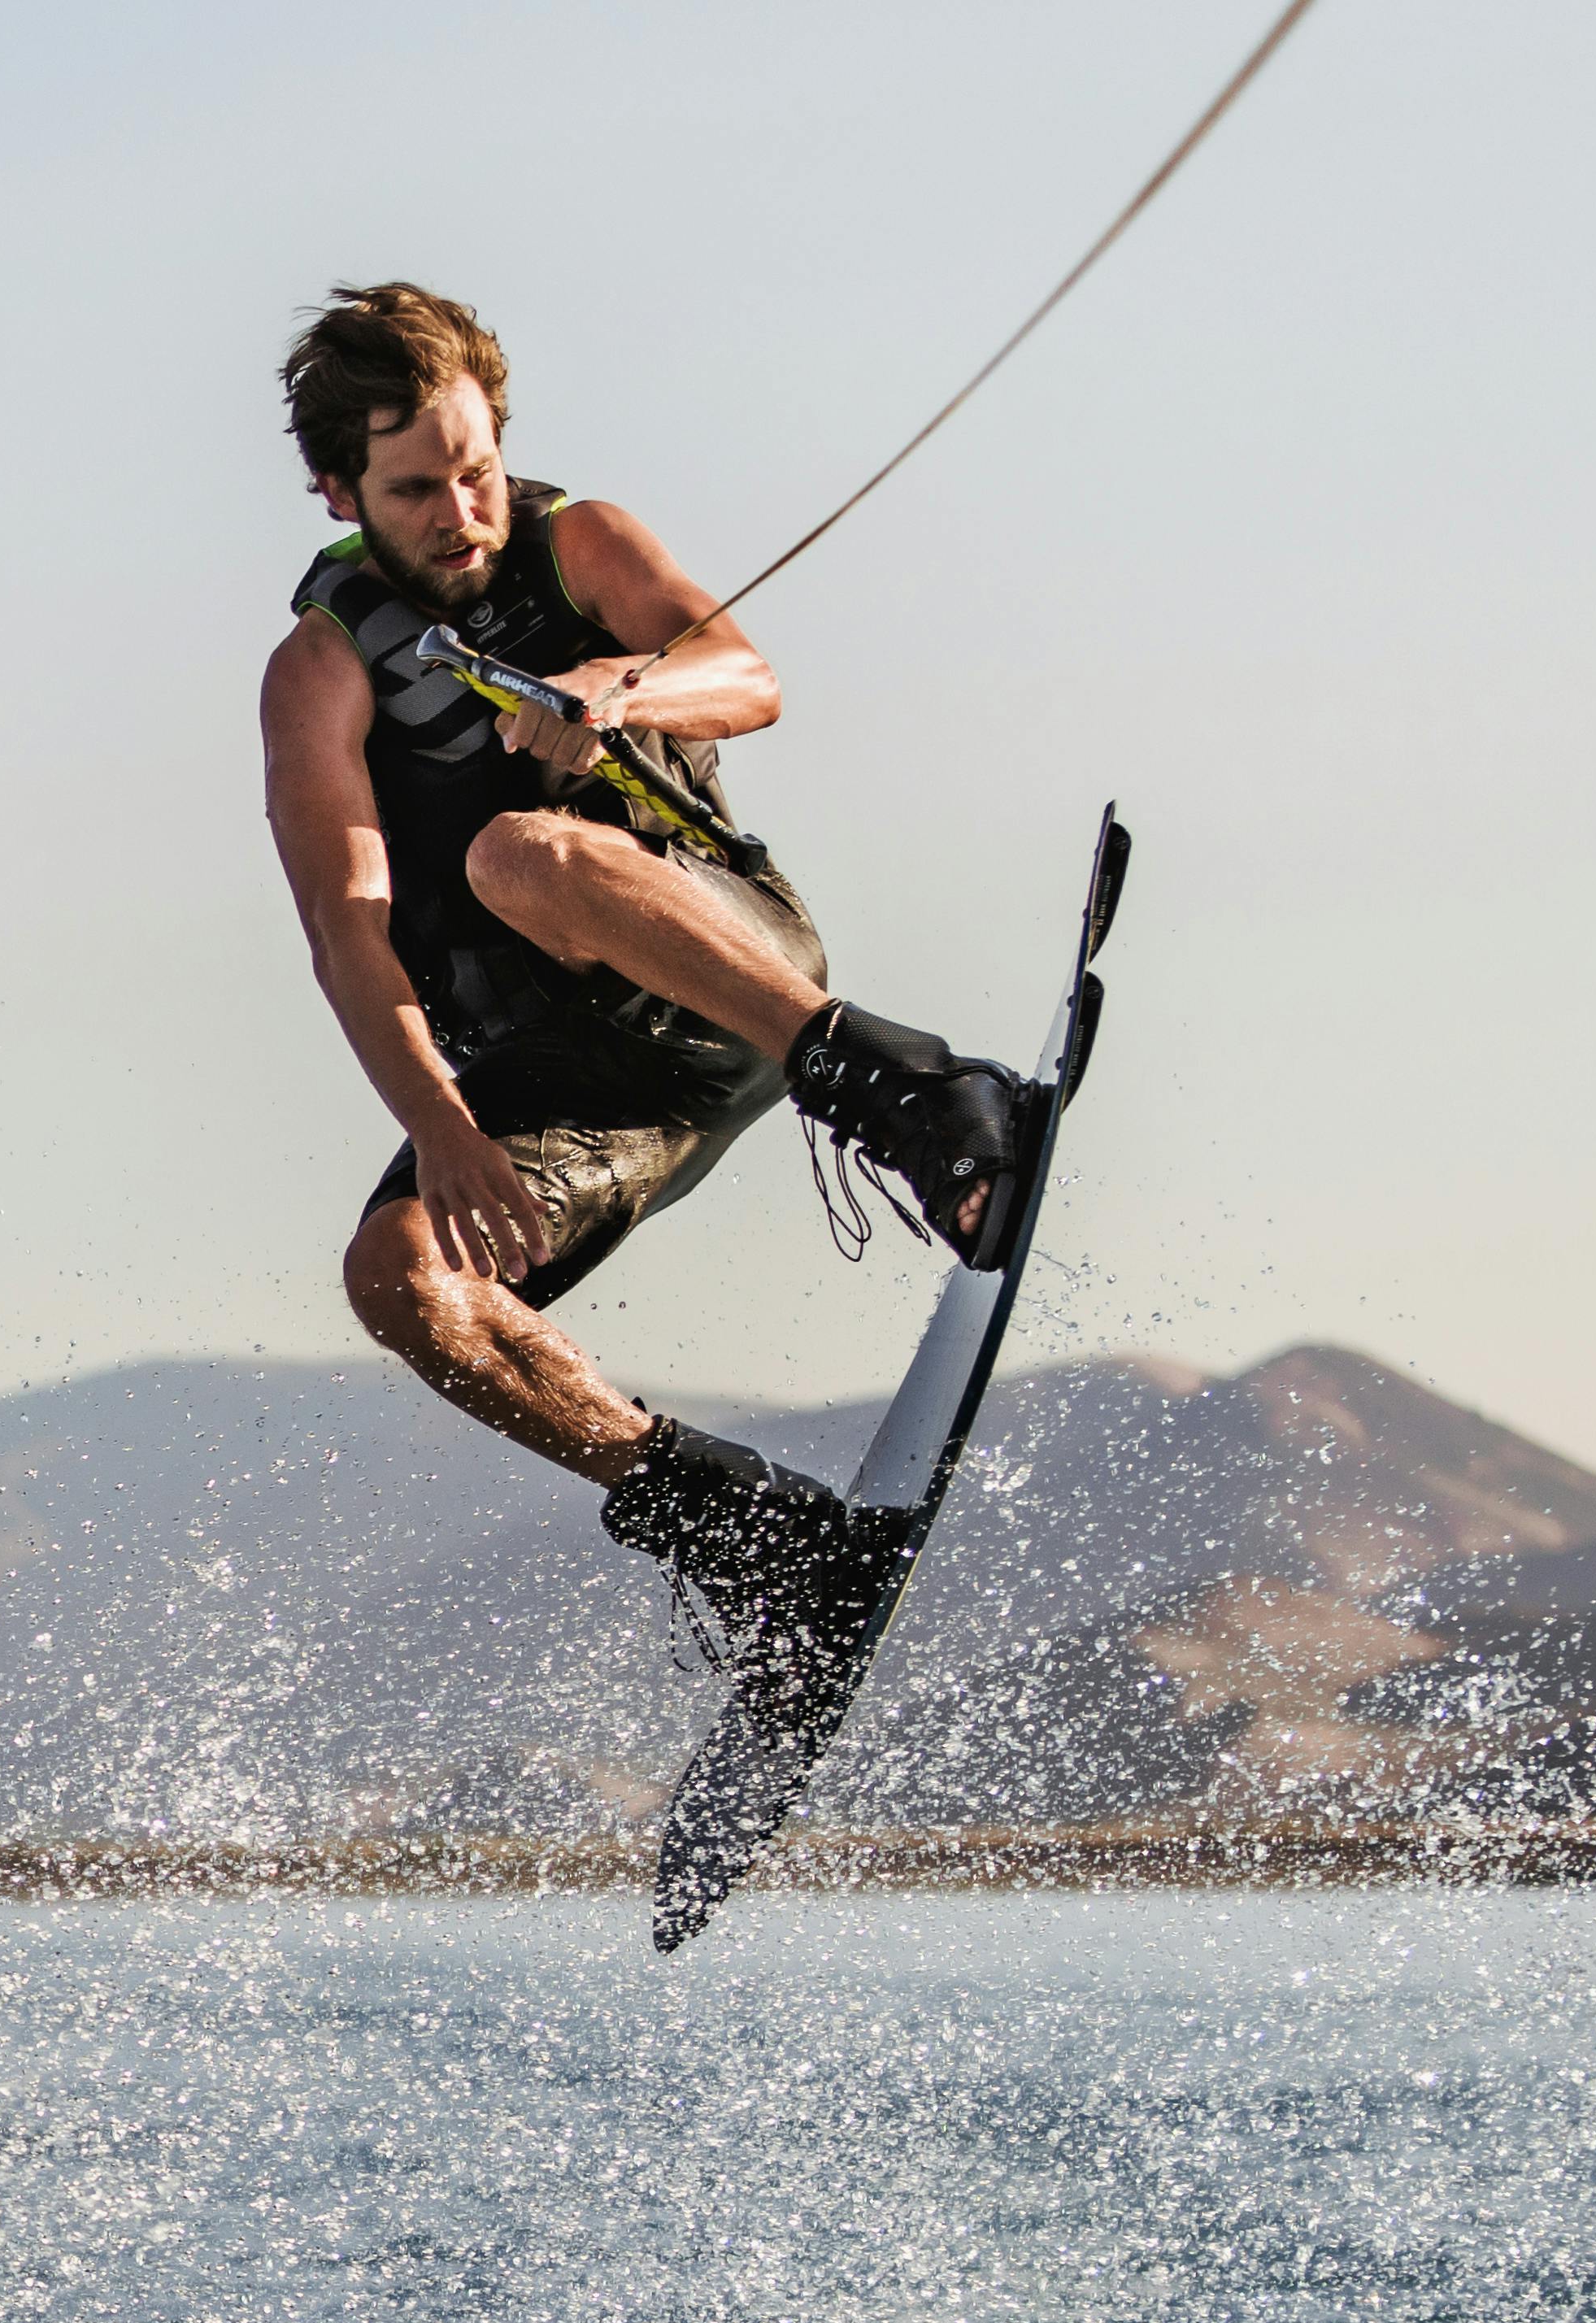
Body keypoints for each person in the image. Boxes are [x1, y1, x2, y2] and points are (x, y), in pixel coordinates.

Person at [261, 281, 1031, 1672]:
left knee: (516, 854)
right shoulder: (320, 674)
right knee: (400, 1280)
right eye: (419, 488)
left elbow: (745, 673)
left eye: (479, 469)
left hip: (729, 968)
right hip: (575, 1079)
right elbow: (346, 930)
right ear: (338, 494)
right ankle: (761, 1540)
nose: (464, 512)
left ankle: (913, 1093)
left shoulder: (582, 544)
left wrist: (619, 689)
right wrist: (440, 1124)